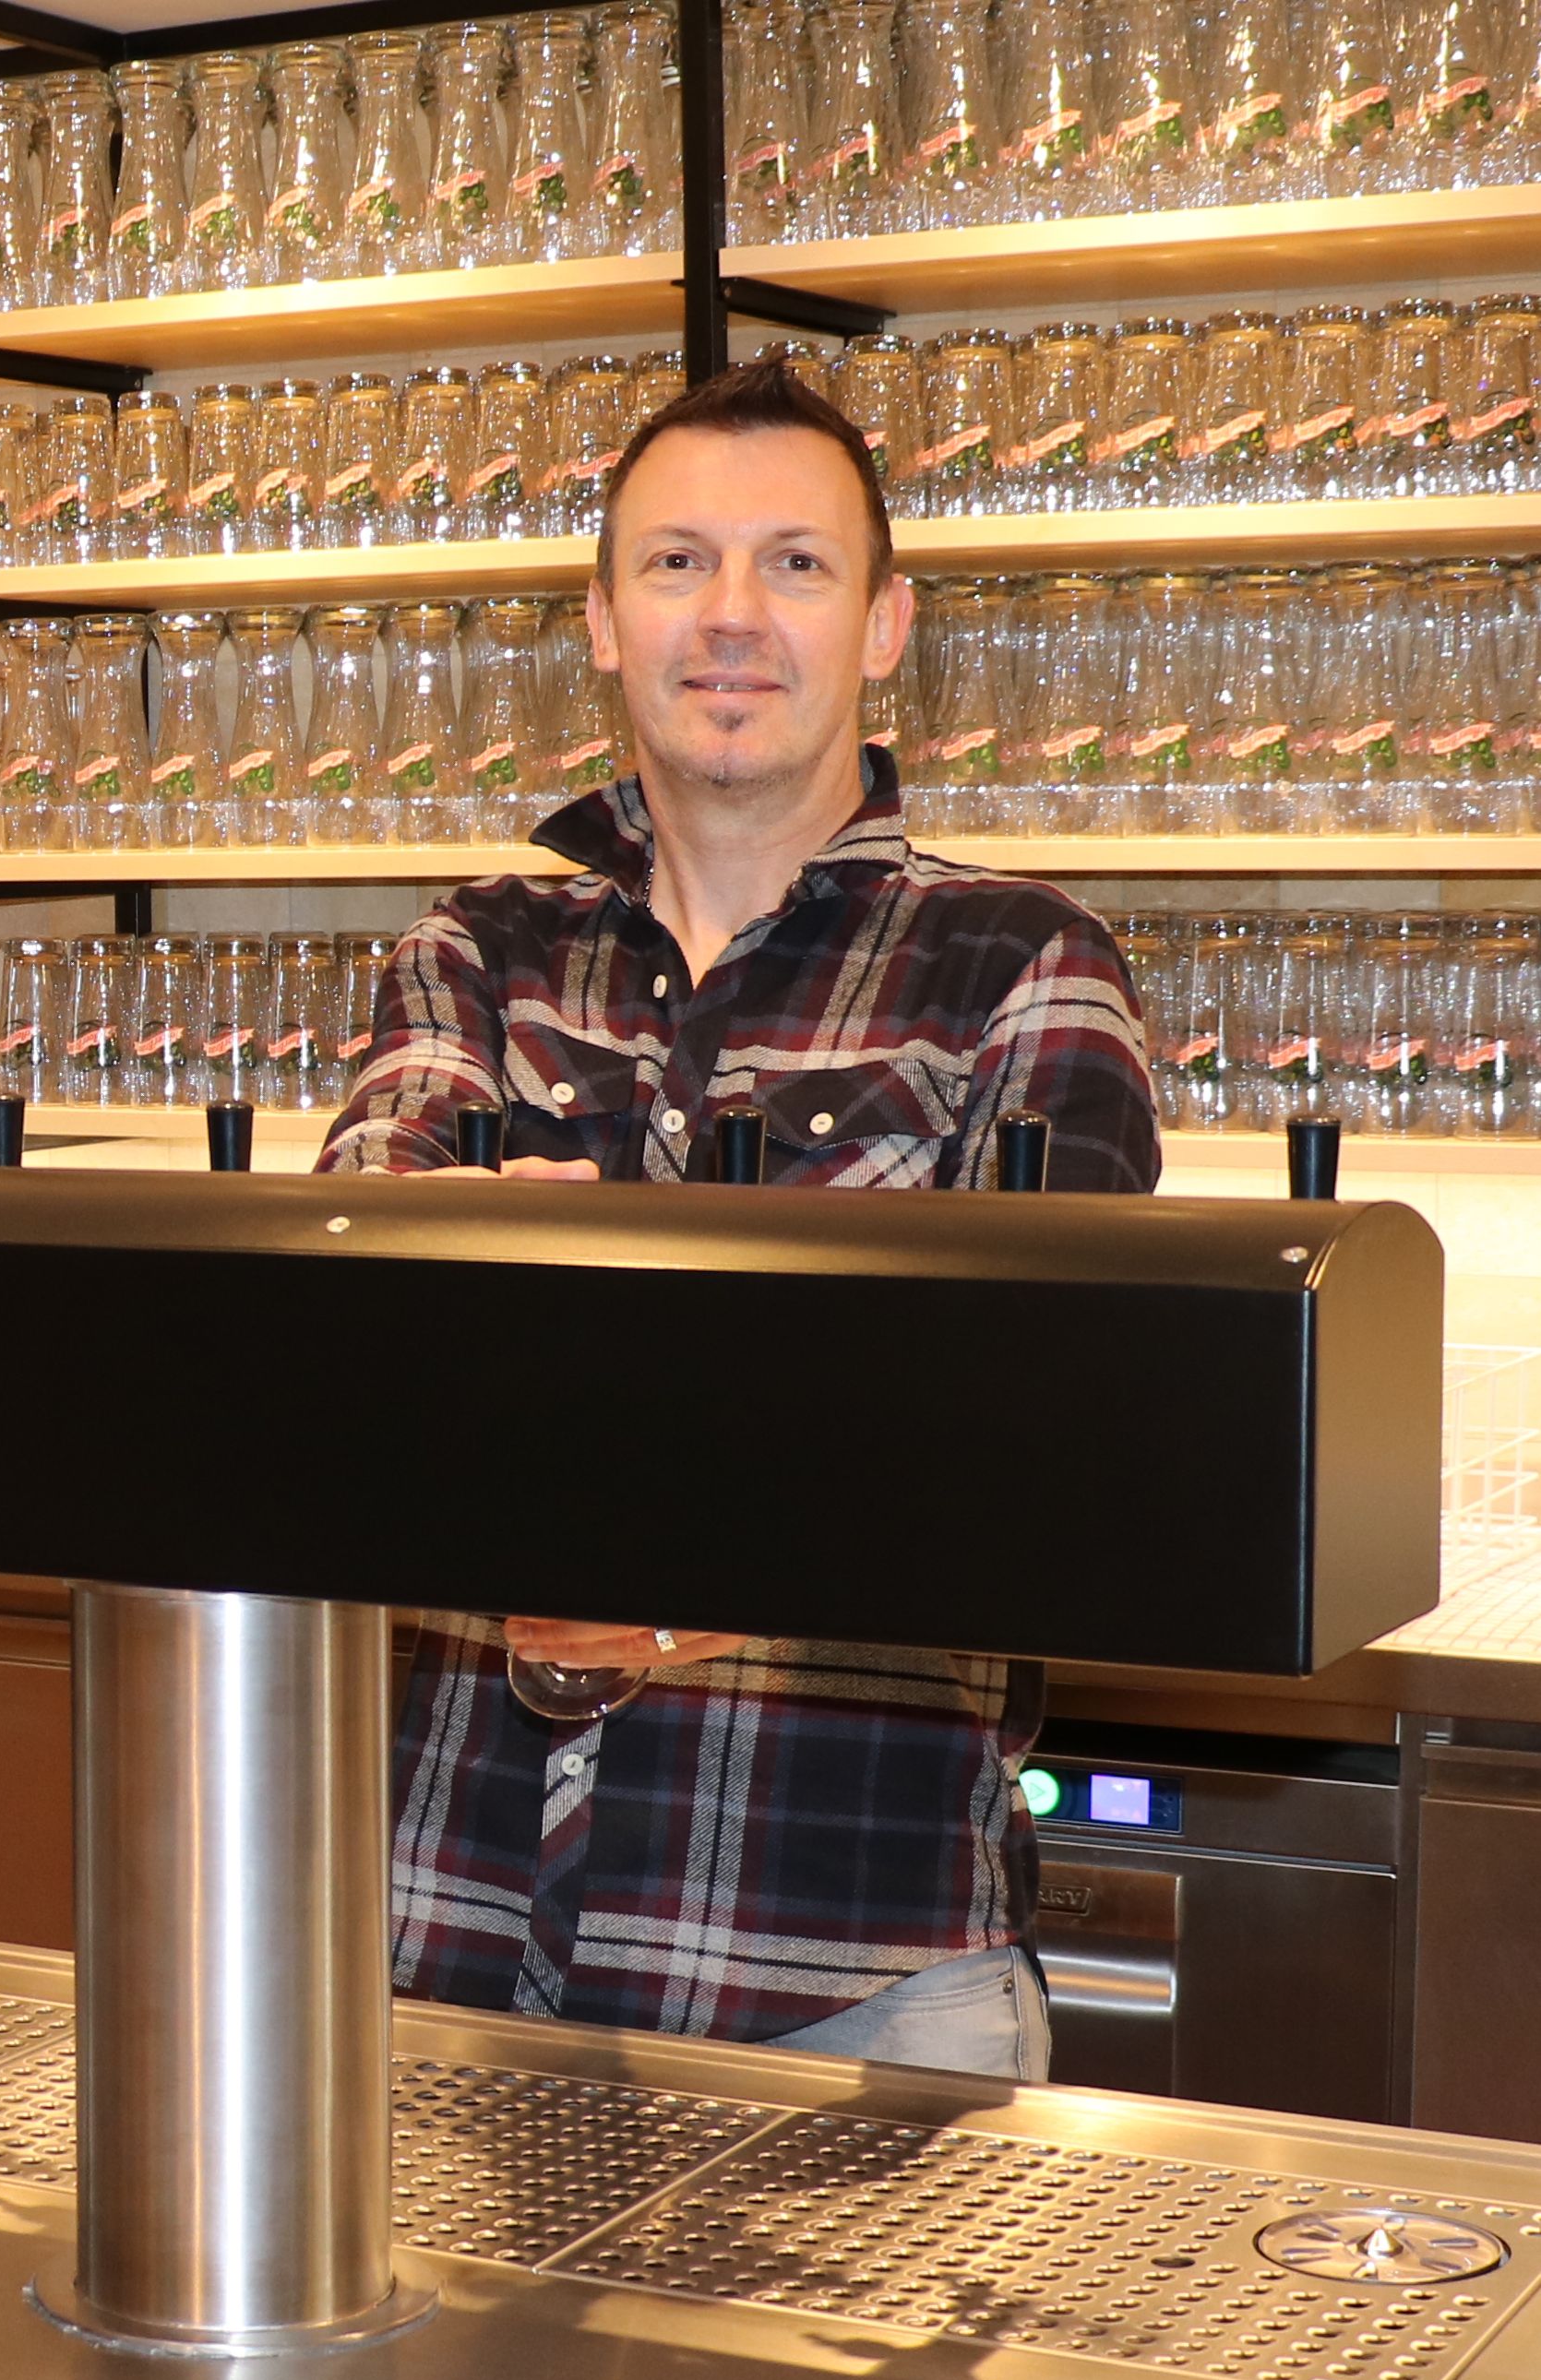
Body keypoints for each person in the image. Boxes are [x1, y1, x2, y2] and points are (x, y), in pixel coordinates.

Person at [317, 354, 1160, 2079]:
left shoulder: (1022, 965)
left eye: (794, 564)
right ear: (602, 620)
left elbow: (1044, 1434)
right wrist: (787, 1445)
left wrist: (592, 1462)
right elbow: (351, 1304)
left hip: (852, 1981)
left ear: (883, 625)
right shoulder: (476, 949)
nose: (729, 615)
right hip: (432, 1955)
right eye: (676, 561)